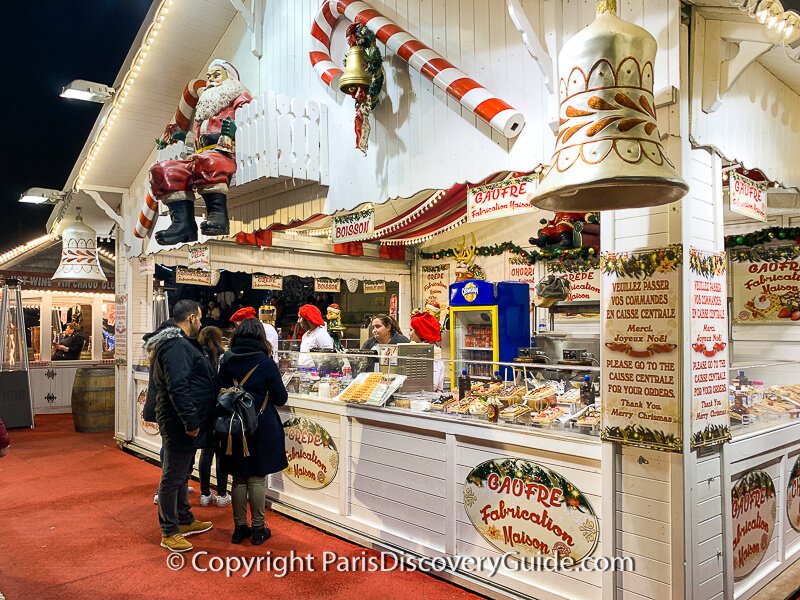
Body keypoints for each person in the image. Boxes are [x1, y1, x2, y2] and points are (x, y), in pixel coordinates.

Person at [149, 59, 252, 245]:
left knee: (208, 161)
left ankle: (218, 215)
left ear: (229, 77)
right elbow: (198, 136)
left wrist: (237, 129)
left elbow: (249, 119)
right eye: (209, 76)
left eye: (217, 75)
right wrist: (186, 137)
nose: (211, 80)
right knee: (164, 169)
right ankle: (183, 225)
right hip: (199, 155)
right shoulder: (204, 109)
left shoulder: (238, 97)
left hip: (225, 152)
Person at [146, 300, 216, 553]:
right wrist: (190, 421)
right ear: (191, 318)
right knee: (173, 477)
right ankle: (169, 530)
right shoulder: (176, 346)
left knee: (182, 473)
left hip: (185, 421)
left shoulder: (178, 344)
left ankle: (184, 519)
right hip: (180, 423)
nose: (201, 321)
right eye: (200, 316)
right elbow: (179, 387)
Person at [217, 318, 288, 545]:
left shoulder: (226, 361)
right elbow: (280, 398)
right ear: (261, 337)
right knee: (256, 478)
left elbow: (217, 391)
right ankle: (258, 529)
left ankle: (239, 528)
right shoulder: (266, 363)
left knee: (238, 478)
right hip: (260, 426)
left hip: (232, 427)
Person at [196, 326, 231, 508]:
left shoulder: (198, 356)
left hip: (204, 410)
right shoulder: (224, 356)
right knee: (222, 453)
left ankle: (204, 493)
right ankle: (223, 493)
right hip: (222, 409)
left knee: (206, 452)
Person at [409, 310, 445, 392]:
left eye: (411, 330)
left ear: (420, 332)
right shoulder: (433, 350)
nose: (409, 334)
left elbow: (433, 384)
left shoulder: (432, 353)